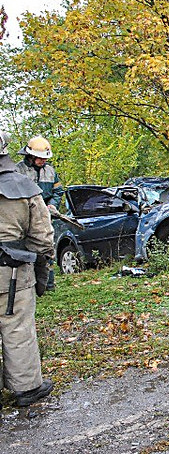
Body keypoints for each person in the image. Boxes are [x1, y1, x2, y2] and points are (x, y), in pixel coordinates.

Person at [0, 130, 55, 406]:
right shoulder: (22, 185)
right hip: (12, 273)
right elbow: (42, 237)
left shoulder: (45, 175)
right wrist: (44, 265)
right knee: (17, 327)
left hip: (14, 269)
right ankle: (26, 388)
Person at [16, 136, 63, 291]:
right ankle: (28, 285)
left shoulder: (50, 172)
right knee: (25, 249)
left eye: (45, 158)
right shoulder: (18, 171)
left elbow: (58, 192)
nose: (43, 161)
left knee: (47, 248)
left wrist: (52, 205)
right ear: (30, 156)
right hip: (24, 217)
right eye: (40, 158)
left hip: (44, 217)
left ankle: (48, 285)